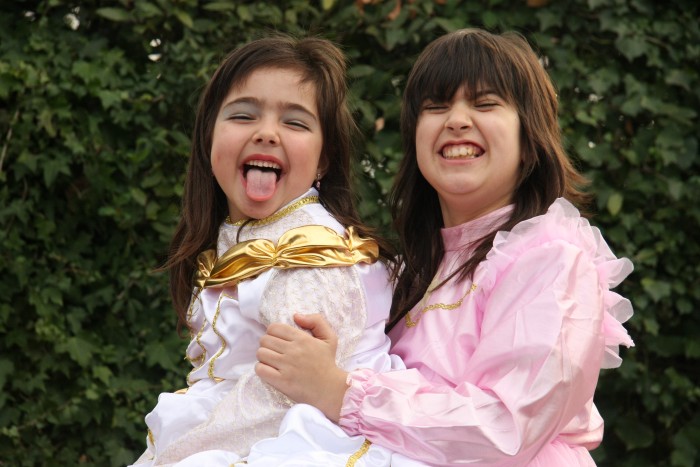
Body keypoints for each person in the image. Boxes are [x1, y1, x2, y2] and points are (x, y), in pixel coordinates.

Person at [255, 28, 635, 466]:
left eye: (484, 103)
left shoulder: (552, 262)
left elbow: (505, 429)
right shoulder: (405, 271)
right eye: (435, 106)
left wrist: (342, 392)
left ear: (530, 140)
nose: (456, 119)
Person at [129, 33, 401, 466]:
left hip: (302, 441)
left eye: (295, 123)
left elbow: (281, 394)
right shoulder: (240, 234)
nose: (267, 133)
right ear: (209, 137)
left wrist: (176, 455)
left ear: (324, 159)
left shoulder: (313, 254)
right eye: (243, 115)